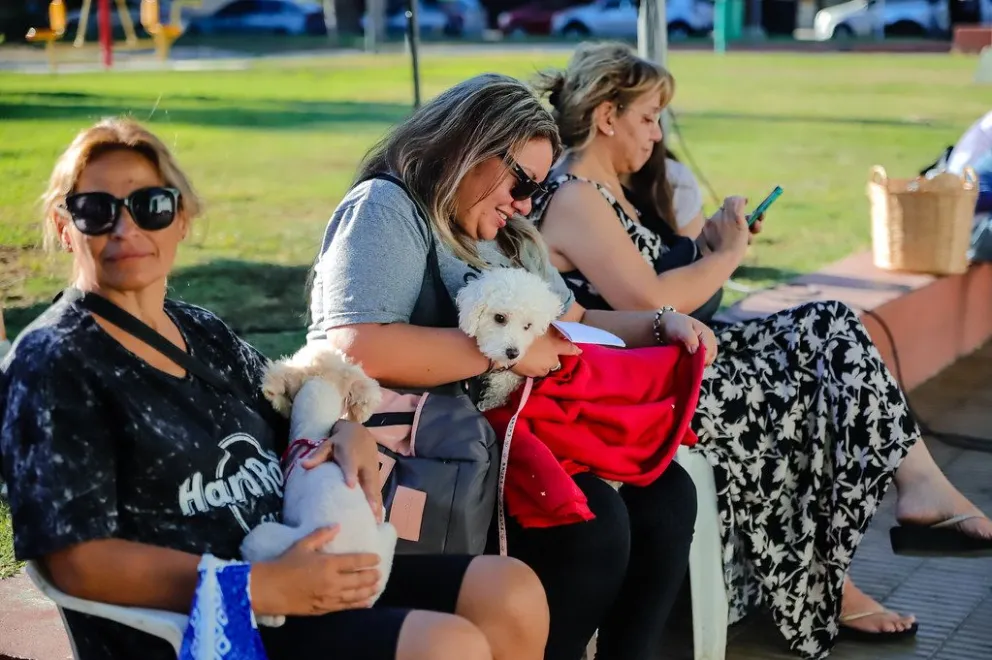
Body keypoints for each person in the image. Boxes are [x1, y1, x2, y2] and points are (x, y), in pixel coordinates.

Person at [0, 117, 550, 660]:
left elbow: (289, 402)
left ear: (182, 219)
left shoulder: (199, 331)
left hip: (296, 559)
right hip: (206, 618)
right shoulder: (54, 362)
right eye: (96, 212)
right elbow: (71, 559)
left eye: (152, 206)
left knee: (508, 591)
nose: (126, 230)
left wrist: (346, 428)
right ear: (64, 225)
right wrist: (257, 586)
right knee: (445, 646)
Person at [531, 41, 992, 658]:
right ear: (607, 115)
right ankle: (884, 526)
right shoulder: (574, 195)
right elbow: (650, 301)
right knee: (813, 365)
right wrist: (726, 256)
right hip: (640, 382)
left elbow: (667, 287)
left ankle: (883, 525)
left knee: (826, 337)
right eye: (647, 117)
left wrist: (716, 242)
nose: (657, 132)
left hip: (669, 365)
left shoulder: (613, 191)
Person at [307, 73, 710, 660]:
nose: (524, 205)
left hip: (513, 441)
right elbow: (354, 343)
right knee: (593, 526)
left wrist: (662, 324)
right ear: (468, 145)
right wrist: (505, 349)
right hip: (426, 463)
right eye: (521, 183)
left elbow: (577, 320)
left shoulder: (513, 235)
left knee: (669, 493)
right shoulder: (388, 208)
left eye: (535, 192)